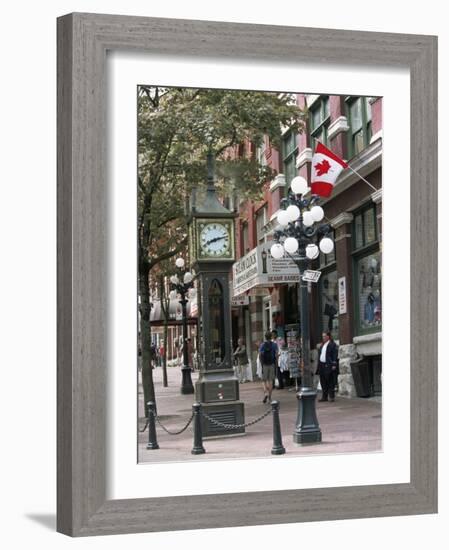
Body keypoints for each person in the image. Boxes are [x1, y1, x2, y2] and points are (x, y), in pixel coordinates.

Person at [316, 331, 339, 402]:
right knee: (323, 381)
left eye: (324, 336)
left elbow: (335, 355)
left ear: (328, 336)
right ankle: (324, 396)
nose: (323, 337)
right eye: (322, 336)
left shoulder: (332, 344)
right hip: (321, 365)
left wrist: (334, 364)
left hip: (328, 364)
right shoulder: (322, 345)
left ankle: (331, 396)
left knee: (330, 380)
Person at [259, 331, 278, 403]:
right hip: (272, 364)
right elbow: (276, 355)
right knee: (270, 381)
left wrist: (262, 363)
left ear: (265, 337)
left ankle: (265, 393)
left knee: (263, 380)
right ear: (271, 337)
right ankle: (270, 397)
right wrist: (276, 364)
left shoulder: (262, 345)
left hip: (265, 364)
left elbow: (260, 355)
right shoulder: (274, 345)